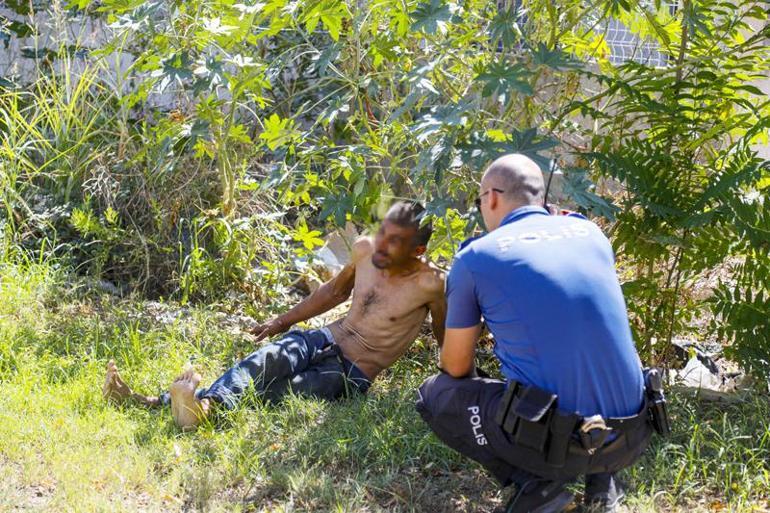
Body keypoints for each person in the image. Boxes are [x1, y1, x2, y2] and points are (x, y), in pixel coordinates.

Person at [416, 155, 653, 513]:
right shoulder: (591, 234)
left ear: (492, 198)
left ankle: (540, 487)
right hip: (632, 434)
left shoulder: (476, 257)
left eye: (479, 201)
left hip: (557, 440)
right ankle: (604, 483)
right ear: (542, 201)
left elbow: (456, 366)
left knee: (437, 394)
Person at [104, 201, 446, 429]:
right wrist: (283, 321)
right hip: (323, 338)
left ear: (418, 250)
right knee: (261, 364)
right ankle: (191, 408)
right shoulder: (365, 250)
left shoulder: (432, 284)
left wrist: (454, 382)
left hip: (353, 370)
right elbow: (335, 291)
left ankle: (180, 405)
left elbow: (449, 335)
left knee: (281, 391)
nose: (382, 245)